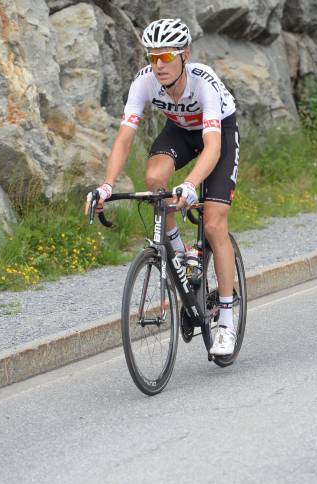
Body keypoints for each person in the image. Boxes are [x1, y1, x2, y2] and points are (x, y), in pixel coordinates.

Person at [85, 18, 240, 355]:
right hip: (180, 132)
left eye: (167, 57)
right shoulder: (144, 82)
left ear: (184, 55)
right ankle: (181, 252)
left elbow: (212, 146)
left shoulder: (203, 83)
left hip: (218, 134)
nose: (159, 65)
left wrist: (188, 184)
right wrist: (108, 185)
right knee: (154, 180)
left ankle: (226, 322)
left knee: (214, 223)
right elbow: (125, 138)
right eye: (152, 57)